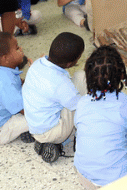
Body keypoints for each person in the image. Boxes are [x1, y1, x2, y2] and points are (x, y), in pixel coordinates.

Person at [74, 46, 127, 190]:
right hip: (114, 182)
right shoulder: (126, 105)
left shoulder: (82, 102)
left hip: (84, 176)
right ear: (121, 75)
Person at [22, 32, 86, 163]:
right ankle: (58, 140)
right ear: (70, 63)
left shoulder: (37, 64)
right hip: (53, 131)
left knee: (63, 97)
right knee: (81, 78)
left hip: (35, 127)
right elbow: (80, 107)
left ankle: (47, 143)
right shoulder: (61, 83)